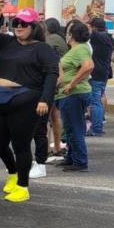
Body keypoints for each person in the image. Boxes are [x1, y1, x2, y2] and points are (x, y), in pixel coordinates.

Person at [0, 8, 59, 203]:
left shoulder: (43, 49)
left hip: (26, 100)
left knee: (21, 145)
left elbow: (52, 74)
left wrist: (45, 99)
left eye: (24, 23)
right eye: (16, 23)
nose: (19, 26)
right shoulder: (8, 42)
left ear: (34, 27)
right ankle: (13, 173)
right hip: (0, 98)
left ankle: (22, 185)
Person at [55, 20, 94, 172]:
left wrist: (71, 84)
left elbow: (89, 66)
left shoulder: (80, 49)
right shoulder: (76, 49)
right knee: (70, 127)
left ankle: (80, 161)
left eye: (68, 32)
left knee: (74, 127)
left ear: (71, 35)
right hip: (70, 94)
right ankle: (71, 157)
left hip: (74, 94)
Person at [42, 18, 68, 163]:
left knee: (45, 118)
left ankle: (45, 148)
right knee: (55, 117)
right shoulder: (60, 38)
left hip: (52, 81)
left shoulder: (50, 40)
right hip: (59, 81)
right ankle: (57, 146)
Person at [87, 17, 114, 137]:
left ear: (94, 27)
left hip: (96, 73)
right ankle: (98, 124)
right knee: (99, 98)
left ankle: (96, 128)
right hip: (103, 72)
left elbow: (89, 32)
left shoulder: (99, 37)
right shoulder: (108, 37)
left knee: (95, 101)